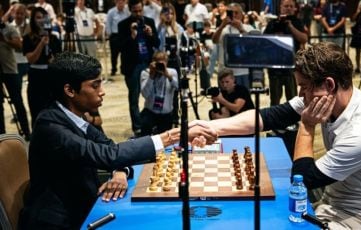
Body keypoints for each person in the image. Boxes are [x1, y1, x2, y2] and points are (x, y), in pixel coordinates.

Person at [190, 42, 361, 229]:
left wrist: (307, 126)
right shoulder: (332, 99)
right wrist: (211, 127)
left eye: (303, 87)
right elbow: (270, 116)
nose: (299, 94)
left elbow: (302, 180)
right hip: (334, 203)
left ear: (329, 85)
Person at [18, 52, 216, 229]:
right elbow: (109, 155)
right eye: (95, 85)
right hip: (59, 221)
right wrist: (172, 136)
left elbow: (111, 150)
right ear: (70, 90)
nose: (102, 91)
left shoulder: (76, 117)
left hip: (83, 206)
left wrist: (119, 171)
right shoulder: (50, 127)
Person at [118, 0, 160, 138]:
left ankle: (152, 124)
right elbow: (120, 47)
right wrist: (132, 36)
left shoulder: (149, 21)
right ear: (130, 10)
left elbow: (157, 43)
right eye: (135, 11)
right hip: (133, 66)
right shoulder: (123, 25)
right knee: (134, 97)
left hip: (147, 63)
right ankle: (137, 128)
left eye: (140, 11)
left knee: (152, 94)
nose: (138, 14)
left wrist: (150, 34)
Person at [22, 7, 62, 127]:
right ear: (33, 20)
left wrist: (53, 61)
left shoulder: (54, 38)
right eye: (38, 18)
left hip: (51, 76)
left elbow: (60, 59)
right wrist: (41, 44)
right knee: (37, 111)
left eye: (43, 17)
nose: (41, 21)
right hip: (36, 76)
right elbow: (31, 59)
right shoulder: (28, 38)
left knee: (54, 111)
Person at [263, 0, 308, 106]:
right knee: (275, 100)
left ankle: (294, 121)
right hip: (275, 66)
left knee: (292, 99)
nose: (288, 8)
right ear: (281, 7)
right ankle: (275, 121)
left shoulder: (297, 22)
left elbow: (304, 39)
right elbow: (264, 41)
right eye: (286, 6)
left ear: (294, 8)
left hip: (291, 66)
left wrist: (291, 27)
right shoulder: (273, 23)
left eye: (291, 6)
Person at [0, 4, 31, 140]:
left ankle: (27, 132)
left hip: (10, 69)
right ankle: (2, 135)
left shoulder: (10, 28)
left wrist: (5, 40)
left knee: (17, 101)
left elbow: (19, 46)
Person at [212, 3, 254, 90]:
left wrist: (240, 29)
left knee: (243, 100)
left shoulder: (248, 28)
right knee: (225, 101)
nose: (234, 15)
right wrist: (222, 25)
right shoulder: (223, 29)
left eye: (236, 13)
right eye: (231, 13)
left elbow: (251, 45)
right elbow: (214, 40)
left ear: (242, 15)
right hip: (224, 71)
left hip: (242, 71)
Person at [140, 51, 179, 136]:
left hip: (166, 114)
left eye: (163, 62)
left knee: (165, 141)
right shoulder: (145, 73)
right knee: (145, 136)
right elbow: (144, 94)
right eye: (158, 63)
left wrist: (167, 75)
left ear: (167, 62)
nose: (160, 66)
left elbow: (178, 87)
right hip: (150, 112)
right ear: (153, 62)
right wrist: (151, 76)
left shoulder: (172, 72)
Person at [105, 0, 130, 76]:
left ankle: (123, 69)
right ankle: (113, 69)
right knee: (114, 54)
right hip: (115, 35)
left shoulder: (127, 12)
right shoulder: (111, 12)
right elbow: (108, 24)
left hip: (125, 35)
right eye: (119, 2)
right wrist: (109, 35)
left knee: (124, 53)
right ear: (116, 3)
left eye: (123, 2)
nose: (121, 4)